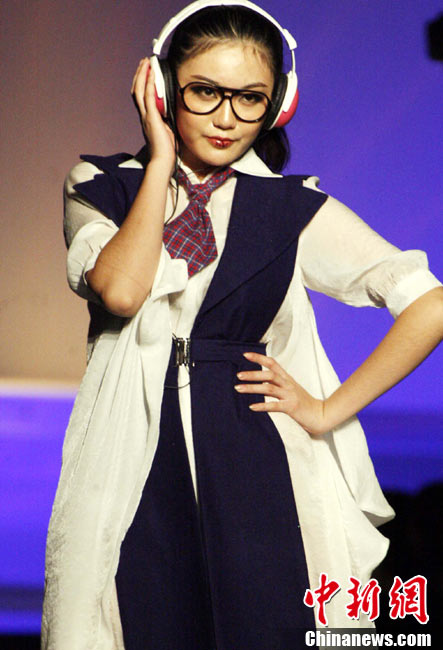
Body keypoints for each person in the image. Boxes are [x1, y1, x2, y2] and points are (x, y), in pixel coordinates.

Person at [42, 1, 443, 648]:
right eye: (204, 91)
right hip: (134, 458)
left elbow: (428, 303)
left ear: (276, 104)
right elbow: (121, 291)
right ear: (162, 88)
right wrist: (161, 161)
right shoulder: (102, 184)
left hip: (258, 460)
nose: (227, 117)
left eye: (249, 98)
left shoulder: (290, 208)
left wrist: (326, 409)